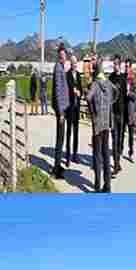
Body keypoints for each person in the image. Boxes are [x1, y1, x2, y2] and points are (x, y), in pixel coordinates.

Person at [86, 66, 119, 193]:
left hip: (97, 124)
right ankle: (107, 186)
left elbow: (88, 98)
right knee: (106, 155)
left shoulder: (95, 84)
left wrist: (93, 111)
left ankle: (97, 186)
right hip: (107, 123)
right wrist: (111, 103)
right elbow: (117, 93)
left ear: (95, 73)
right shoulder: (109, 84)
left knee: (97, 155)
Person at [51, 44, 70, 179]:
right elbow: (58, 91)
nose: (63, 58)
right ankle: (56, 170)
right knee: (60, 138)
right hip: (61, 109)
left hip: (63, 107)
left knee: (61, 137)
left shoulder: (60, 67)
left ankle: (57, 165)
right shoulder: (58, 68)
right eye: (62, 56)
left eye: (65, 55)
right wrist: (61, 112)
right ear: (59, 56)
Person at [109, 55, 129, 176]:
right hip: (113, 112)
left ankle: (118, 161)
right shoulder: (110, 78)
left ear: (120, 65)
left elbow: (126, 97)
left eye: (117, 64)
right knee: (114, 138)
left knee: (120, 139)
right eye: (114, 64)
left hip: (121, 112)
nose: (115, 66)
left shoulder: (123, 78)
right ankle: (116, 164)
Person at [65, 54, 82, 166]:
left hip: (77, 107)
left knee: (76, 132)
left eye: (75, 63)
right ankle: (67, 156)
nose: (74, 64)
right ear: (70, 63)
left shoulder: (79, 75)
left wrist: (80, 93)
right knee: (69, 132)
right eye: (72, 62)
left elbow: (81, 88)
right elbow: (66, 90)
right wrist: (73, 91)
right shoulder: (67, 75)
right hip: (70, 107)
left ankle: (75, 154)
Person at [125, 59, 136, 161]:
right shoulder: (122, 78)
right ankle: (119, 149)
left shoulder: (133, 81)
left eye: (128, 66)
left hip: (130, 110)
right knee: (120, 132)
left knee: (130, 133)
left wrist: (129, 93)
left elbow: (135, 95)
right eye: (125, 66)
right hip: (122, 109)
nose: (126, 68)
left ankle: (131, 151)